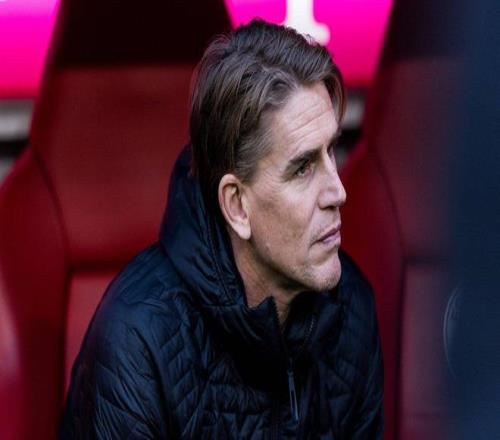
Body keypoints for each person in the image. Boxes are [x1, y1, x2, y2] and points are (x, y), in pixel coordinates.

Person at [60, 19, 383, 439]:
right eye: (303, 168)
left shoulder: (352, 306)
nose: (338, 191)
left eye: (332, 150)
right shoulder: (137, 343)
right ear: (236, 205)